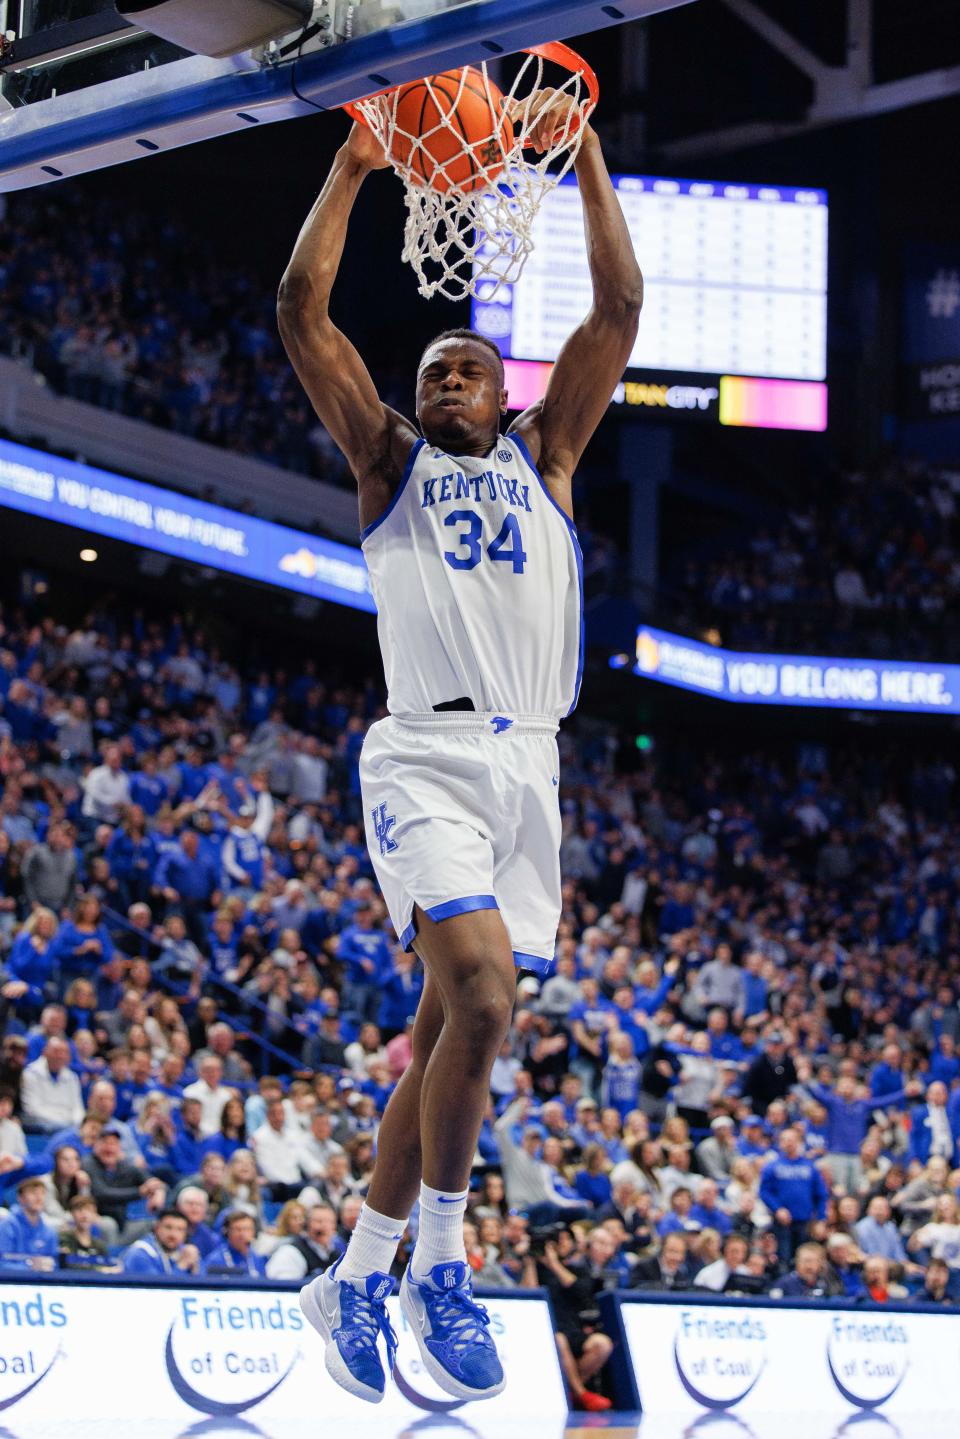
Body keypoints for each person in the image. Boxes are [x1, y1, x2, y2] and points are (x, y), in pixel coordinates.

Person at [278, 86, 642, 1403]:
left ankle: (350, 1272)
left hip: (527, 768)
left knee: (450, 1034)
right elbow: (300, 318)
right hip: (425, 755)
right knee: (483, 999)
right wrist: (352, 165)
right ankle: (440, 1261)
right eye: (430, 367)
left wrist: (589, 153)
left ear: (502, 390)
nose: (444, 378)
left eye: (464, 366)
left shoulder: (550, 456)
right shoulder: (389, 464)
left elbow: (616, 316)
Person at [266, 1202, 344, 1280]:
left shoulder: (337, 1255)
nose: (325, 1226)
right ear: (307, 1224)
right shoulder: (290, 1252)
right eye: (319, 1221)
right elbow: (283, 1286)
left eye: (330, 1222)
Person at [0, 1175, 59, 1269]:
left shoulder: (49, 1231)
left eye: (42, 1193)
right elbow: (2, 1264)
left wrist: (49, 1266)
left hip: (42, 1281)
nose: (39, 1197)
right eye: (33, 1193)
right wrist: (30, 1266)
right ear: (20, 1198)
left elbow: (55, 1265)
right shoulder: (6, 1226)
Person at [122, 1208, 195, 1276]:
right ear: (156, 1228)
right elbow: (156, 1287)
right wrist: (181, 1266)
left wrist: (195, 1269)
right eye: (168, 1227)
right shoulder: (139, 1253)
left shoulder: (185, 1251)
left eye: (180, 1229)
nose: (173, 1234)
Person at [203, 1209, 267, 1277]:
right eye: (237, 1229)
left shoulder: (258, 1260)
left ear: (254, 1232)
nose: (242, 1234)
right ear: (227, 1232)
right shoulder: (215, 1261)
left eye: (247, 1229)